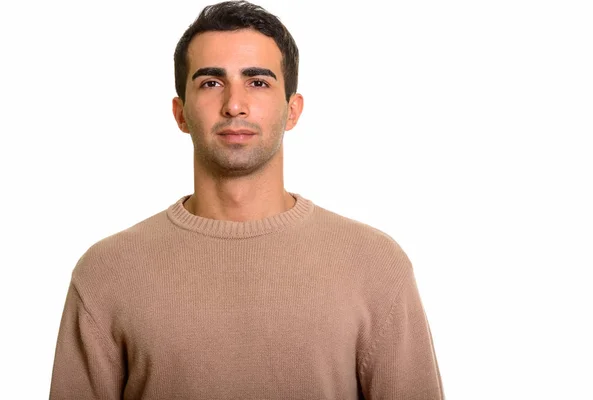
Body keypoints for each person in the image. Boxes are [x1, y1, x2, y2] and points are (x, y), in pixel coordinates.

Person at [49, 1, 445, 399]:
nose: (234, 105)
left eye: (258, 82)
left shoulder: (375, 264)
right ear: (180, 113)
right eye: (211, 82)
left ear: (292, 110)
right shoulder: (106, 273)